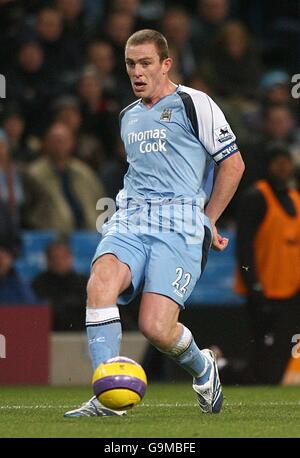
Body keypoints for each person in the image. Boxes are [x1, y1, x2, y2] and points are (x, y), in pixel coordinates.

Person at [64, 29, 244, 417]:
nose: (137, 72)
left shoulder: (195, 103)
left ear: (166, 64)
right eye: (131, 64)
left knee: (156, 328)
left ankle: (203, 367)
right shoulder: (128, 116)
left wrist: (209, 220)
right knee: (101, 281)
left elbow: (233, 164)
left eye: (145, 63)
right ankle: (106, 393)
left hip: (180, 224)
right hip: (130, 219)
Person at [235, 144, 300, 384]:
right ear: (268, 166)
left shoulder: (295, 197)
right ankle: (238, 380)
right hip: (264, 289)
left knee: (281, 350)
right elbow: (244, 247)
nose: (283, 166)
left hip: (291, 290)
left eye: (287, 161)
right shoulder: (256, 197)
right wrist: (253, 283)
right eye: (277, 161)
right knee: (259, 350)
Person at [32, 241, 87, 331]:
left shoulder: (83, 282)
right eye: (55, 258)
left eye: (64, 257)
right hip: (49, 333)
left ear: (71, 258)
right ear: (48, 260)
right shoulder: (38, 283)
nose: (59, 261)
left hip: (79, 334)